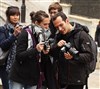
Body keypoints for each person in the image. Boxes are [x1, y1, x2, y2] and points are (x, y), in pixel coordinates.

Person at [50, 12, 93, 89]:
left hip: (76, 81)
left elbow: (89, 56)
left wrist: (74, 56)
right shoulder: (59, 36)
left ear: (67, 21)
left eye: (61, 25)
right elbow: (53, 54)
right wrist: (57, 46)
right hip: (62, 80)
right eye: (57, 27)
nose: (60, 29)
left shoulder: (81, 35)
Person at [8, 10, 50, 89]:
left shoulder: (44, 36)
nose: (47, 27)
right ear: (37, 23)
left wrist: (45, 52)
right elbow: (19, 56)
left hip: (33, 77)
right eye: (45, 24)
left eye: (48, 24)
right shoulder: (25, 33)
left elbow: (41, 60)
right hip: (19, 76)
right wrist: (36, 50)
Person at [0, 6, 22, 89]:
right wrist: (14, 35)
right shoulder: (3, 29)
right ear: (8, 16)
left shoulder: (22, 28)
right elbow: (3, 46)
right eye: (13, 15)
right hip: (6, 65)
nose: (15, 17)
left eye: (17, 15)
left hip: (19, 64)